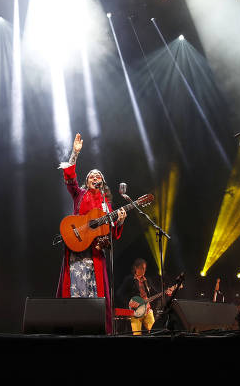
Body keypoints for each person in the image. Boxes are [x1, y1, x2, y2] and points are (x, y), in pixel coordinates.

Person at [57, 133, 127, 334]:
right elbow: (70, 179)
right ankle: (72, 329)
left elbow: (111, 234)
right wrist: (75, 154)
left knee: (96, 295)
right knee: (74, 292)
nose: (96, 177)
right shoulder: (79, 194)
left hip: (95, 255)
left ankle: (94, 331)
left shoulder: (107, 205)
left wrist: (119, 221)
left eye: (99, 176)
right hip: (77, 251)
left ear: (103, 183)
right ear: (87, 181)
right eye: (92, 176)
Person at [117, 258, 175, 335]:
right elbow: (120, 293)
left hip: (147, 311)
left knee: (155, 333)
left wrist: (166, 292)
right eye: (141, 268)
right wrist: (129, 302)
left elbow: (156, 293)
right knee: (137, 334)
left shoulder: (147, 280)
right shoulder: (129, 280)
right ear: (135, 268)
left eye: (145, 268)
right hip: (136, 312)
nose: (144, 270)